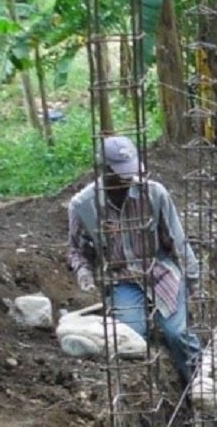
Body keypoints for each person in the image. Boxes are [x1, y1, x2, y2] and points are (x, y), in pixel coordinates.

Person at [66, 135, 202, 387]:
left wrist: (192, 279)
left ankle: (200, 381)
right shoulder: (83, 205)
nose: (127, 180)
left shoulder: (154, 193)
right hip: (122, 280)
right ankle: (153, 349)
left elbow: (176, 239)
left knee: (177, 334)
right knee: (131, 341)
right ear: (103, 170)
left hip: (160, 272)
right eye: (119, 175)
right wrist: (84, 274)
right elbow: (77, 250)